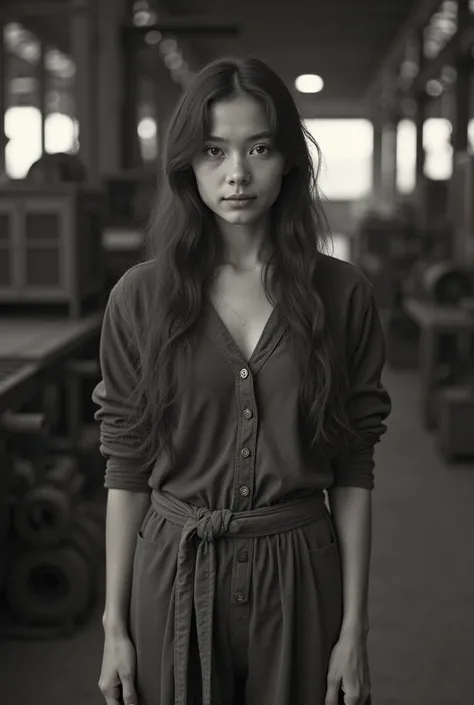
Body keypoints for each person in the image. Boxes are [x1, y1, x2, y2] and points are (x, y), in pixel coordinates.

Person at [92, 55, 391, 705]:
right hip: (174, 571)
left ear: (286, 159)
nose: (236, 174)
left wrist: (355, 627)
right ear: (185, 164)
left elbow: (354, 467)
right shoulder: (140, 297)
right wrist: (114, 624)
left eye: (258, 147)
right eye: (212, 151)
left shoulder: (342, 295)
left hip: (301, 574)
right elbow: (126, 465)